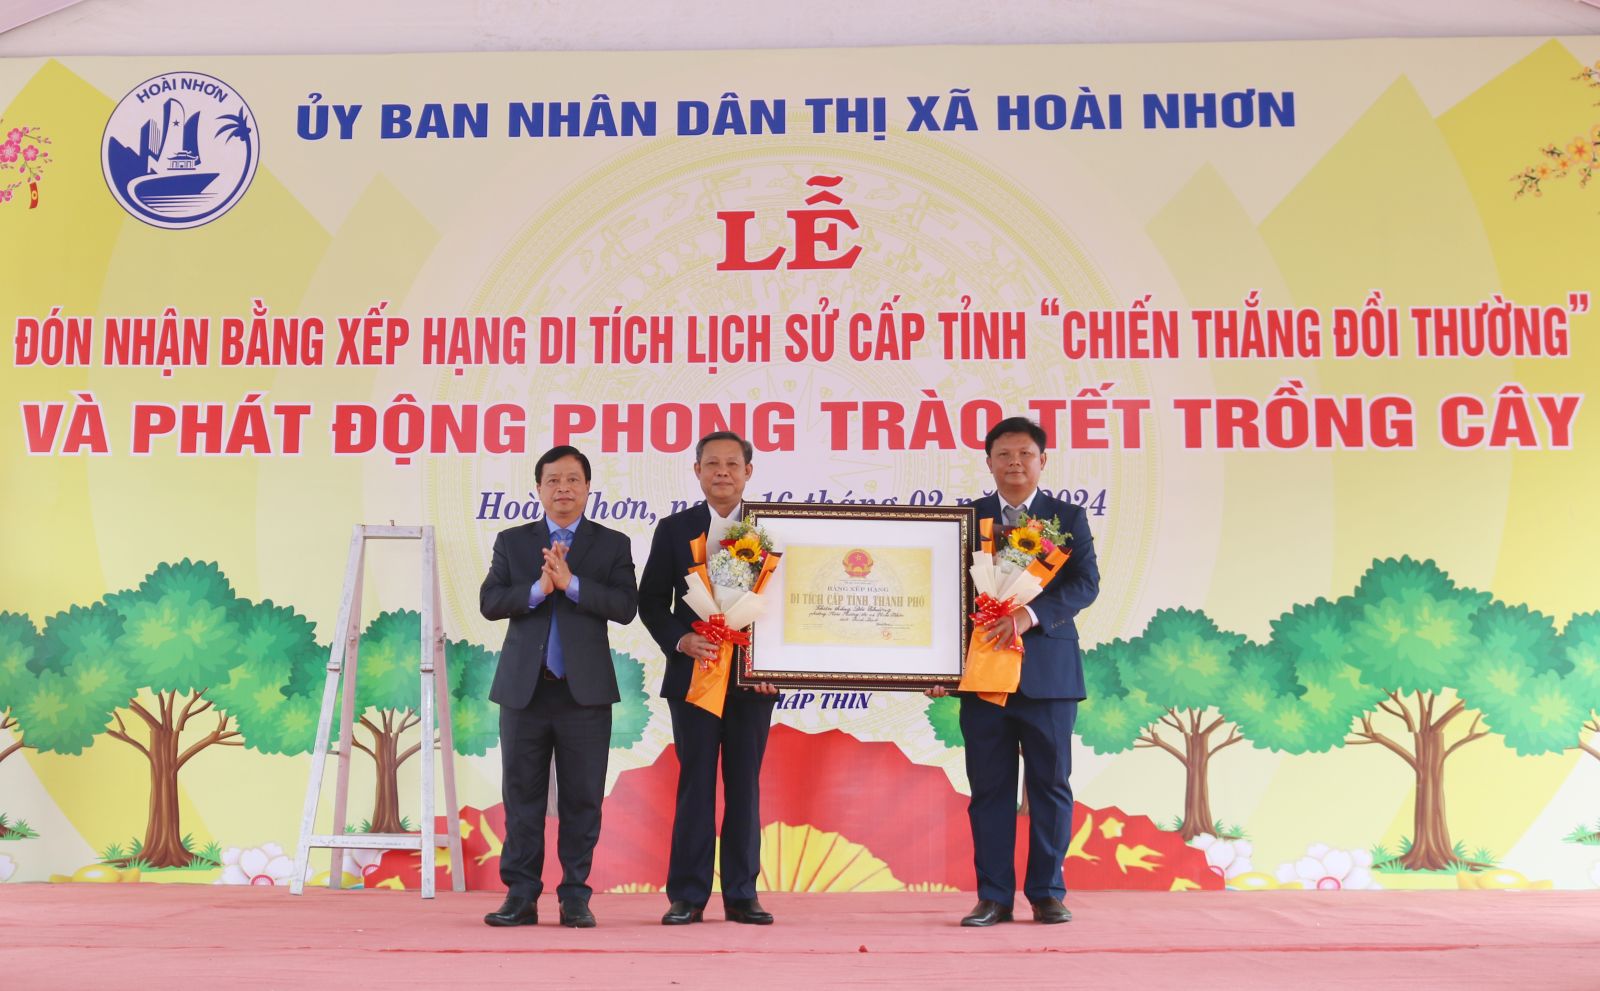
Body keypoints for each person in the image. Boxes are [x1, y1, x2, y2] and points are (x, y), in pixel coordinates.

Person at [932, 416, 1099, 927]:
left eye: (1025, 454)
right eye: (1004, 455)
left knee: (1050, 786)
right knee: (990, 789)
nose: (1015, 463)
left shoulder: (1067, 517)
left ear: (1042, 461)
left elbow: (1085, 584)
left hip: (1048, 675)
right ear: (989, 462)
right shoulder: (968, 519)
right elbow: (944, 593)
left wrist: (1029, 615)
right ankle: (993, 897)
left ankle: (1047, 894)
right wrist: (938, 665)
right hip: (983, 676)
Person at [479, 445, 638, 929]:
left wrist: (571, 584)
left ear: (588, 488)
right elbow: (490, 601)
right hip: (524, 693)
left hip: (583, 694)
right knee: (521, 797)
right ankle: (521, 895)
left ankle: (575, 896)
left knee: (582, 798)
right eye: (553, 480)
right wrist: (538, 590)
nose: (563, 488)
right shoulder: (513, 542)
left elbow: (625, 607)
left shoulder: (612, 544)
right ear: (538, 488)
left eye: (572, 480)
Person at [638, 430, 780, 926]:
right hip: (694, 676)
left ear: (748, 472)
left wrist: (774, 667)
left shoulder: (773, 529)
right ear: (697, 471)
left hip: (752, 682)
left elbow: (787, 606)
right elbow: (650, 601)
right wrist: (681, 640)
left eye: (732, 464)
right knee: (695, 785)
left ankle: (742, 894)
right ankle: (687, 896)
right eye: (712, 463)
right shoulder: (675, 529)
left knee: (744, 787)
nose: (722, 472)